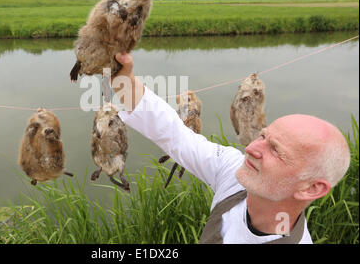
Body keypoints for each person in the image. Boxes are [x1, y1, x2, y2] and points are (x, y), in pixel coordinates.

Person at [110, 52, 351, 244]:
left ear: (311, 188)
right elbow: (175, 135)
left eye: (276, 151)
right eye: (263, 136)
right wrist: (123, 80)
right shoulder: (235, 171)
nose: (253, 149)